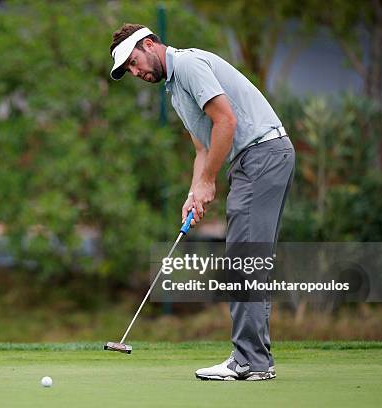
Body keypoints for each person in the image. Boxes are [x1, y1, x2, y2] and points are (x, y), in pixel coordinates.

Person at [109, 23, 295, 381]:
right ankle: (256, 359)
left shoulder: (189, 65)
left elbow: (226, 120)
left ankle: (250, 360)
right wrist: (195, 192)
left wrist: (210, 179)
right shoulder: (175, 90)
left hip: (261, 154)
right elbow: (203, 148)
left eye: (135, 62)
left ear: (149, 45)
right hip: (255, 159)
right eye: (131, 71)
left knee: (244, 258)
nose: (137, 72)